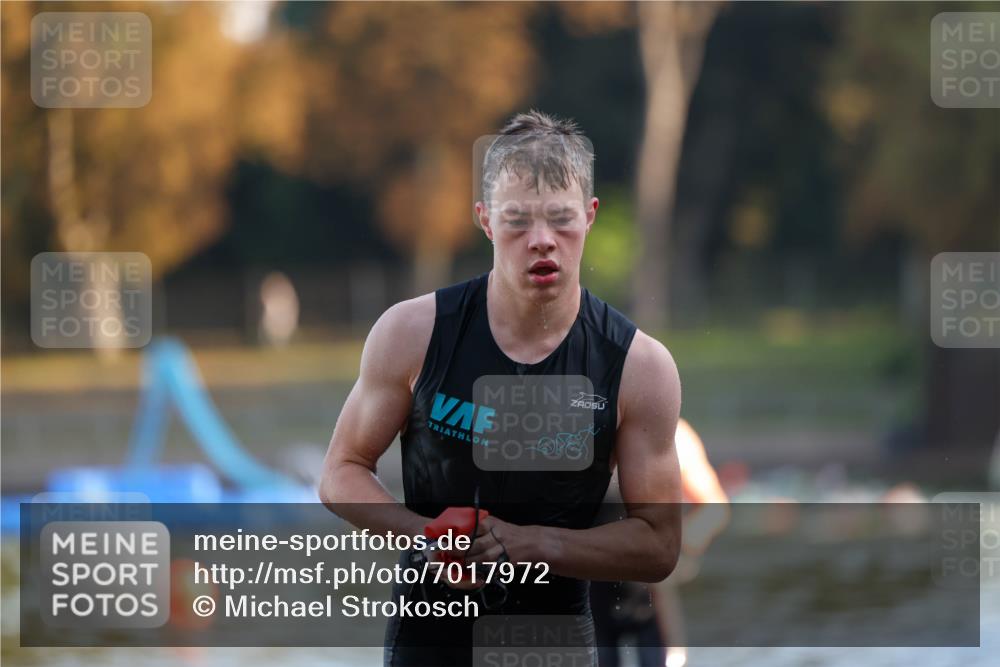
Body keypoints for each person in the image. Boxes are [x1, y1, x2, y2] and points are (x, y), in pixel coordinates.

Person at [320, 110, 683, 666]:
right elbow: (340, 471)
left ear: (590, 217)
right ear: (485, 220)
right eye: (517, 221)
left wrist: (530, 543)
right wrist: (427, 537)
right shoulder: (412, 332)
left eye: (561, 220)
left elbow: (660, 544)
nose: (542, 241)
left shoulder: (640, 366)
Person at [591, 418, 730, 667]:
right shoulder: (575, 427)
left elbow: (713, 507)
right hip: (589, 592)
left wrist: (673, 545)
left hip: (653, 596)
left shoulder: (672, 432)